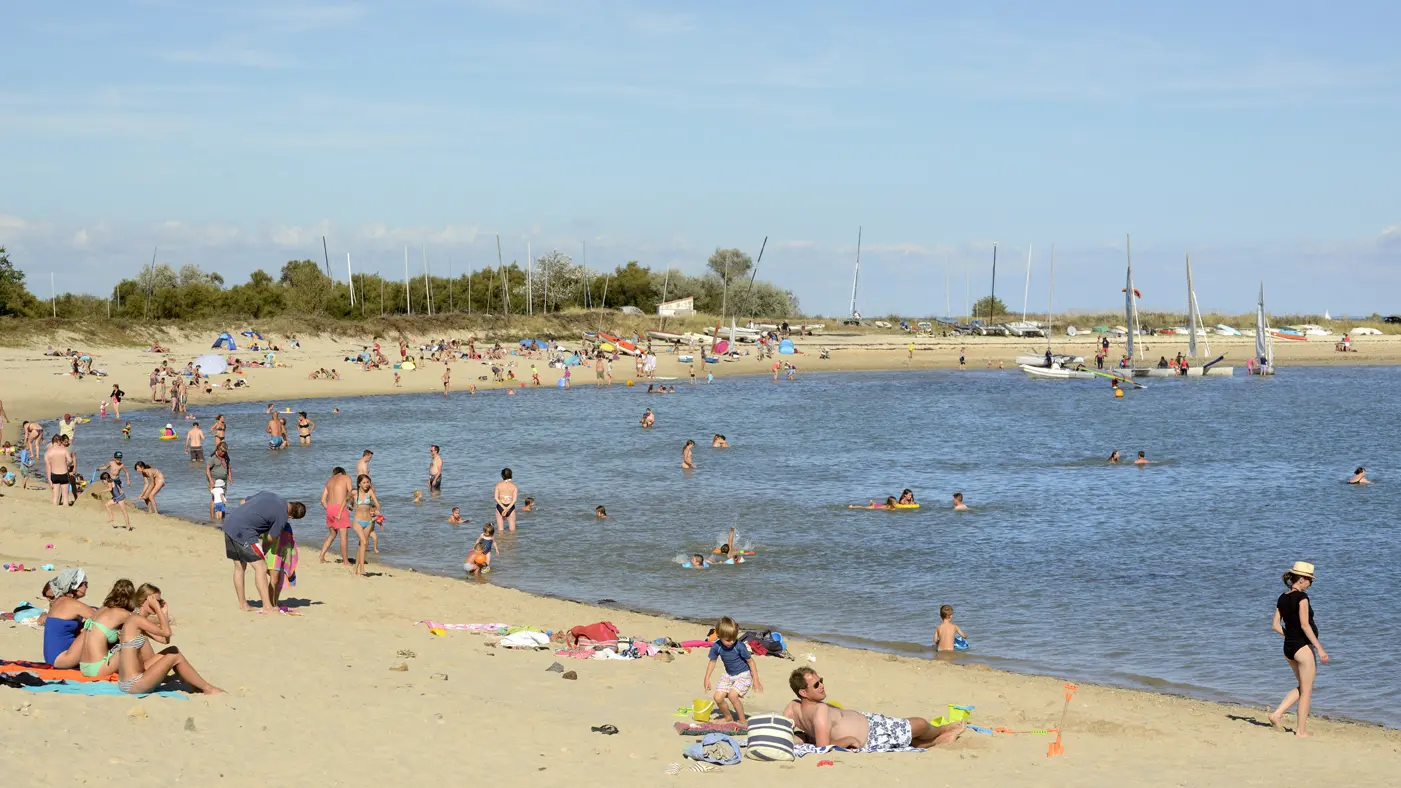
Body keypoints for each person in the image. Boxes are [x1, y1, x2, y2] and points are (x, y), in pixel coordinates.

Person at [784, 666, 964, 750]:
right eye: (816, 685)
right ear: (803, 692)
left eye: (821, 681)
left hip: (869, 722)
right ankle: (942, 731)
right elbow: (822, 747)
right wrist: (846, 740)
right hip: (872, 733)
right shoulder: (819, 711)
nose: (822, 686)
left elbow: (781, 730)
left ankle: (940, 739)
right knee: (920, 724)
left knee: (912, 738)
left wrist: (801, 737)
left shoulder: (792, 707)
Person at [114, 582, 222, 695]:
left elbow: (165, 640)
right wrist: (158, 610)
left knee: (172, 650)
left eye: (159, 601)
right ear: (143, 601)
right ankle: (208, 689)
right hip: (133, 684)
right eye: (155, 601)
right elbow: (166, 632)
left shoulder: (138, 619)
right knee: (175, 656)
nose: (158, 604)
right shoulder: (136, 620)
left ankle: (195, 683)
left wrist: (164, 614)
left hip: (129, 680)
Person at [1269, 561, 1328, 736]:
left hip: (1288, 648)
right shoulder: (1302, 598)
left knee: (1303, 686)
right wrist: (1319, 648)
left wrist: (1289, 636)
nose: (1311, 584)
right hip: (1302, 648)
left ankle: (1276, 714)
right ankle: (1301, 730)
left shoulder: (1282, 597)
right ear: (1301, 579)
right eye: (1310, 580)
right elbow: (1305, 624)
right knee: (1307, 690)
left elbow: (1274, 625)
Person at [222, 492, 306, 610]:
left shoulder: (271, 495)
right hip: (244, 532)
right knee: (261, 567)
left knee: (239, 566)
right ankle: (267, 606)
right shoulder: (282, 516)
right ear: (291, 517)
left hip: (230, 524)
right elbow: (271, 538)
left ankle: (243, 604)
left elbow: (243, 501)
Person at [703, 616, 763, 725]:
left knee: (732, 695)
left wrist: (756, 679)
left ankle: (742, 720)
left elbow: (751, 662)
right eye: (728, 640)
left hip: (743, 674)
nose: (731, 642)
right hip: (728, 675)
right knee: (718, 697)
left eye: (734, 638)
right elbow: (712, 662)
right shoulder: (717, 646)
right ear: (719, 636)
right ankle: (728, 717)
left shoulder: (739, 646)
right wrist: (707, 678)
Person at [41, 568, 94, 669]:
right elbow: (102, 619)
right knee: (96, 628)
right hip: (62, 659)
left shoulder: (59, 601)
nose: (86, 586)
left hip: (53, 658)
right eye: (85, 583)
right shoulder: (72, 604)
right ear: (76, 585)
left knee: (86, 627)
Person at [319, 467, 353, 564]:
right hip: (340, 509)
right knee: (343, 536)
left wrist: (329, 509)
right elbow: (351, 493)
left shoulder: (329, 481)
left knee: (332, 534)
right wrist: (351, 506)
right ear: (343, 472)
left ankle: (321, 556)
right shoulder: (346, 478)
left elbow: (322, 500)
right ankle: (345, 561)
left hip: (330, 509)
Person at [350, 474, 380, 575]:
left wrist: (377, 512)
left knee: (361, 545)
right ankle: (362, 568)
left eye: (368, 482)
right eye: (364, 482)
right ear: (359, 484)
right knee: (364, 542)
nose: (366, 484)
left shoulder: (370, 492)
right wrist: (342, 511)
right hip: (358, 521)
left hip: (368, 521)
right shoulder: (355, 492)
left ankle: (356, 569)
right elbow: (346, 501)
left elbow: (378, 506)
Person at [45, 435, 73, 506]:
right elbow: (70, 460)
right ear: (58, 441)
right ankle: (65, 508)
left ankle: (55, 509)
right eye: (60, 441)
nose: (61, 443)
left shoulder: (48, 453)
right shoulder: (64, 450)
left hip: (54, 475)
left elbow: (48, 468)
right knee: (65, 498)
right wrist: (66, 464)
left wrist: (49, 480)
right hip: (64, 474)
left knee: (55, 497)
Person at [494, 467, 519, 532]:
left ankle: (501, 541)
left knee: (500, 530)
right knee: (512, 530)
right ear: (511, 475)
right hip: (510, 507)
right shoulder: (514, 486)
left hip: (500, 506)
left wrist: (503, 508)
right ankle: (510, 542)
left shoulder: (498, 485)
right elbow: (514, 500)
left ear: (502, 476)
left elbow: (496, 498)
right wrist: (507, 508)